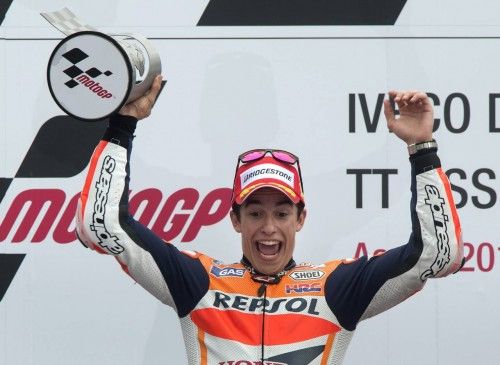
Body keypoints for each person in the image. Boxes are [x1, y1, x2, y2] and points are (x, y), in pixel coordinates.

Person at [75, 75, 463, 364]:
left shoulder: (337, 287)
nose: (268, 228)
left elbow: (438, 255)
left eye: (281, 212)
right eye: (255, 212)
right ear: (235, 219)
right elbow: (101, 226)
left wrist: (422, 149)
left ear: (300, 218)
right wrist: (123, 124)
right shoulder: (197, 283)